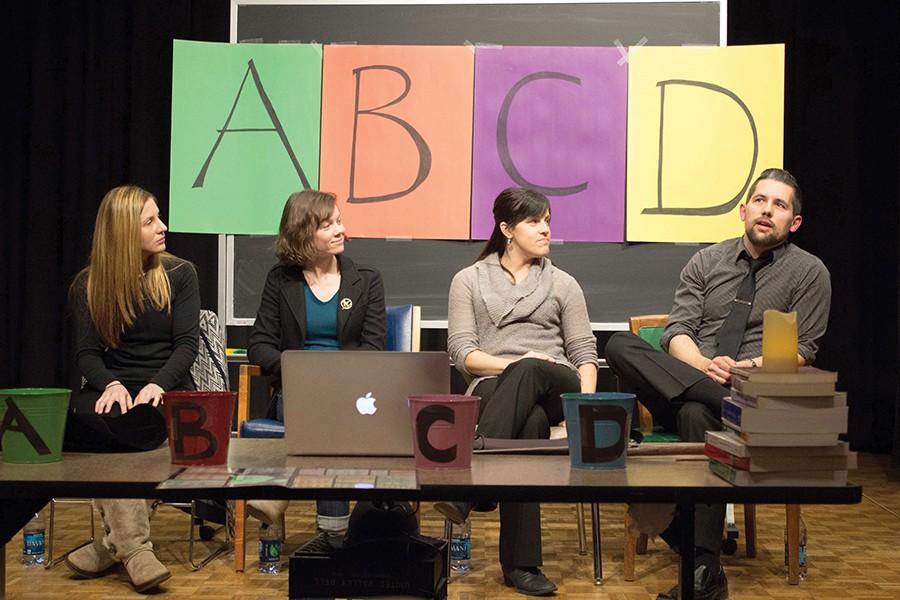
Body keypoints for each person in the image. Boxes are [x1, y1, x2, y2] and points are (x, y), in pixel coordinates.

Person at [605, 168, 831, 600]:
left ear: (794, 222)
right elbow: (677, 331)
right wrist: (704, 366)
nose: (767, 211)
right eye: (760, 201)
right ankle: (723, 400)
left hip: (750, 390)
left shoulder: (810, 272)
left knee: (696, 414)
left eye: (779, 205)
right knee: (619, 345)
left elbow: (804, 348)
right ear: (744, 210)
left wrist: (741, 368)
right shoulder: (706, 261)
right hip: (696, 377)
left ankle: (702, 568)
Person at [440, 187, 599, 596]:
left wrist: (583, 405)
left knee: (532, 368)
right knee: (526, 423)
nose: (545, 228)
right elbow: (463, 354)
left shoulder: (563, 283)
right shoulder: (468, 281)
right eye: (534, 221)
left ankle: (468, 485)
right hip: (495, 387)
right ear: (506, 228)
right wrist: (514, 363)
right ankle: (522, 566)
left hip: (557, 383)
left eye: (547, 220)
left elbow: (584, 353)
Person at [63, 184, 200, 593]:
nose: (163, 226)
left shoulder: (180, 274)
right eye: (151, 221)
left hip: (168, 387)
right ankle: (131, 547)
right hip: (117, 390)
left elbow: (186, 347)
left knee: (130, 432)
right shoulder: (88, 284)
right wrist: (113, 384)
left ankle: (122, 547)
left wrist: (156, 384)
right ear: (123, 231)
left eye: (158, 217)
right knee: (93, 423)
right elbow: (87, 355)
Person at [247, 189, 386, 534]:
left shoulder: (366, 280)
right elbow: (259, 345)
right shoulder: (281, 281)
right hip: (296, 391)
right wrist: (298, 370)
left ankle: (277, 495)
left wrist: (334, 376)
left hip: (350, 392)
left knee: (333, 410)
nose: (340, 230)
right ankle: (333, 530)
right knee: (321, 410)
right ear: (303, 233)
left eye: (339, 221)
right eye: (328, 225)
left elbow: (373, 347)